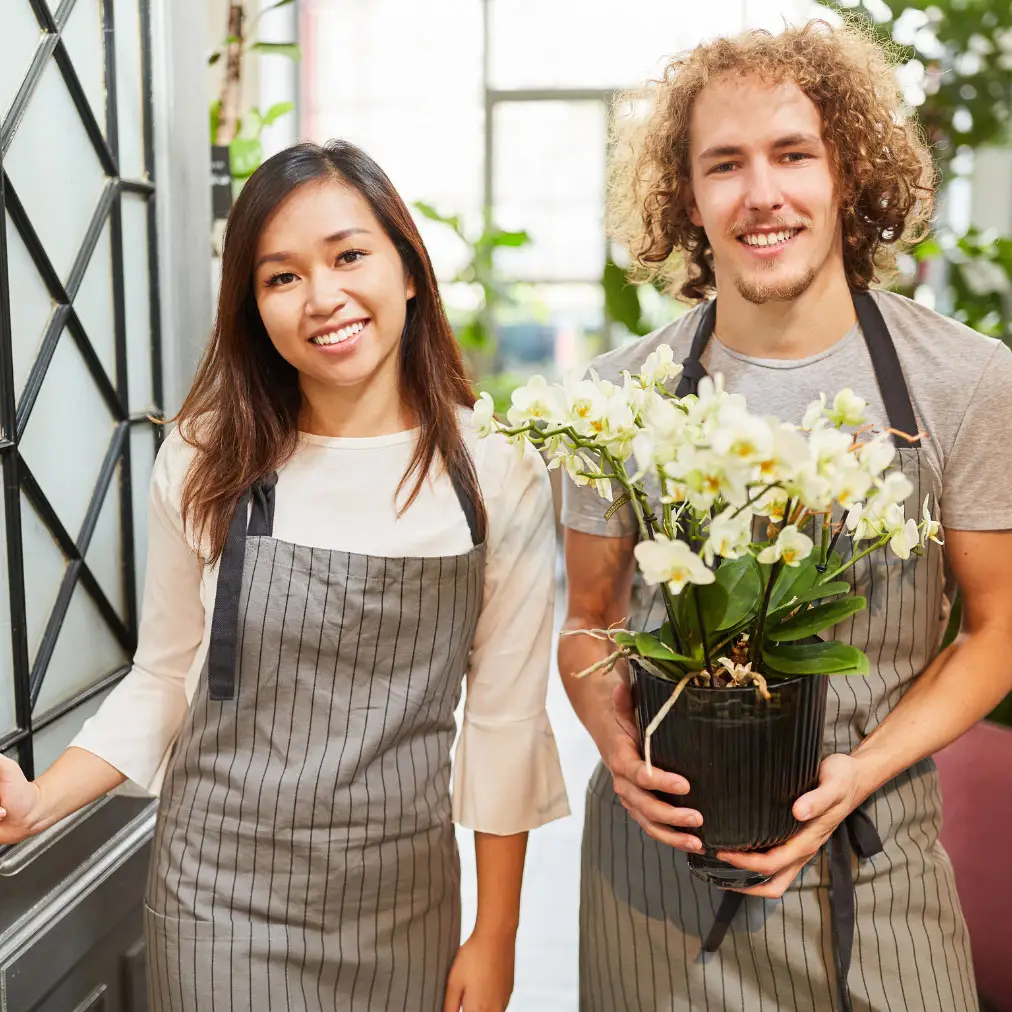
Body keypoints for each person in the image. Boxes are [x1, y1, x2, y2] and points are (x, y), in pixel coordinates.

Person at [0, 140, 569, 1012]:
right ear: (254, 307)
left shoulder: (495, 473)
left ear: (409, 271)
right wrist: (39, 803)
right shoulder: (204, 460)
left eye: (348, 256)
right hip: (222, 900)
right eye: (282, 277)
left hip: (402, 902)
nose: (324, 297)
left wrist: (495, 938)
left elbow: (504, 725)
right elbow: (163, 681)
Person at [560, 20, 1012, 1012]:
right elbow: (586, 623)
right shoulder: (622, 399)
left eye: (792, 154)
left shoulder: (966, 384)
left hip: (875, 872)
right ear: (685, 194)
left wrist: (861, 770)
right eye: (724, 164)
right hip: (655, 891)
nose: (761, 193)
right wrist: (618, 754)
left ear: (846, 171)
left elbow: (995, 632)